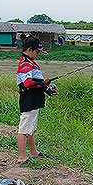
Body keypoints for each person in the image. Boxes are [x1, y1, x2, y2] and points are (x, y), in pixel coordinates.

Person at [16, 35, 54, 163]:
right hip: (28, 99)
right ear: (30, 49)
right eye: (37, 52)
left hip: (35, 99)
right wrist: (43, 84)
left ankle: (33, 152)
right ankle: (22, 157)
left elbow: (36, 82)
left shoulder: (31, 63)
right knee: (23, 128)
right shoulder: (25, 64)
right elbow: (27, 83)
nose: (37, 54)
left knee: (30, 127)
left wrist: (46, 89)